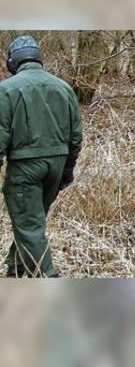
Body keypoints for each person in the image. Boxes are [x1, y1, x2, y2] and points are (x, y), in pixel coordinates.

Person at [0, 35, 83, 278]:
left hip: (25, 167)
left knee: (28, 225)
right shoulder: (64, 87)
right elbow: (76, 135)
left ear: (13, 61)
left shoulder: (6, 90)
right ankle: (14, 269)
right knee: (31, 223)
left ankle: (48, 279)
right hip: (56, 165)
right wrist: (67, 169)